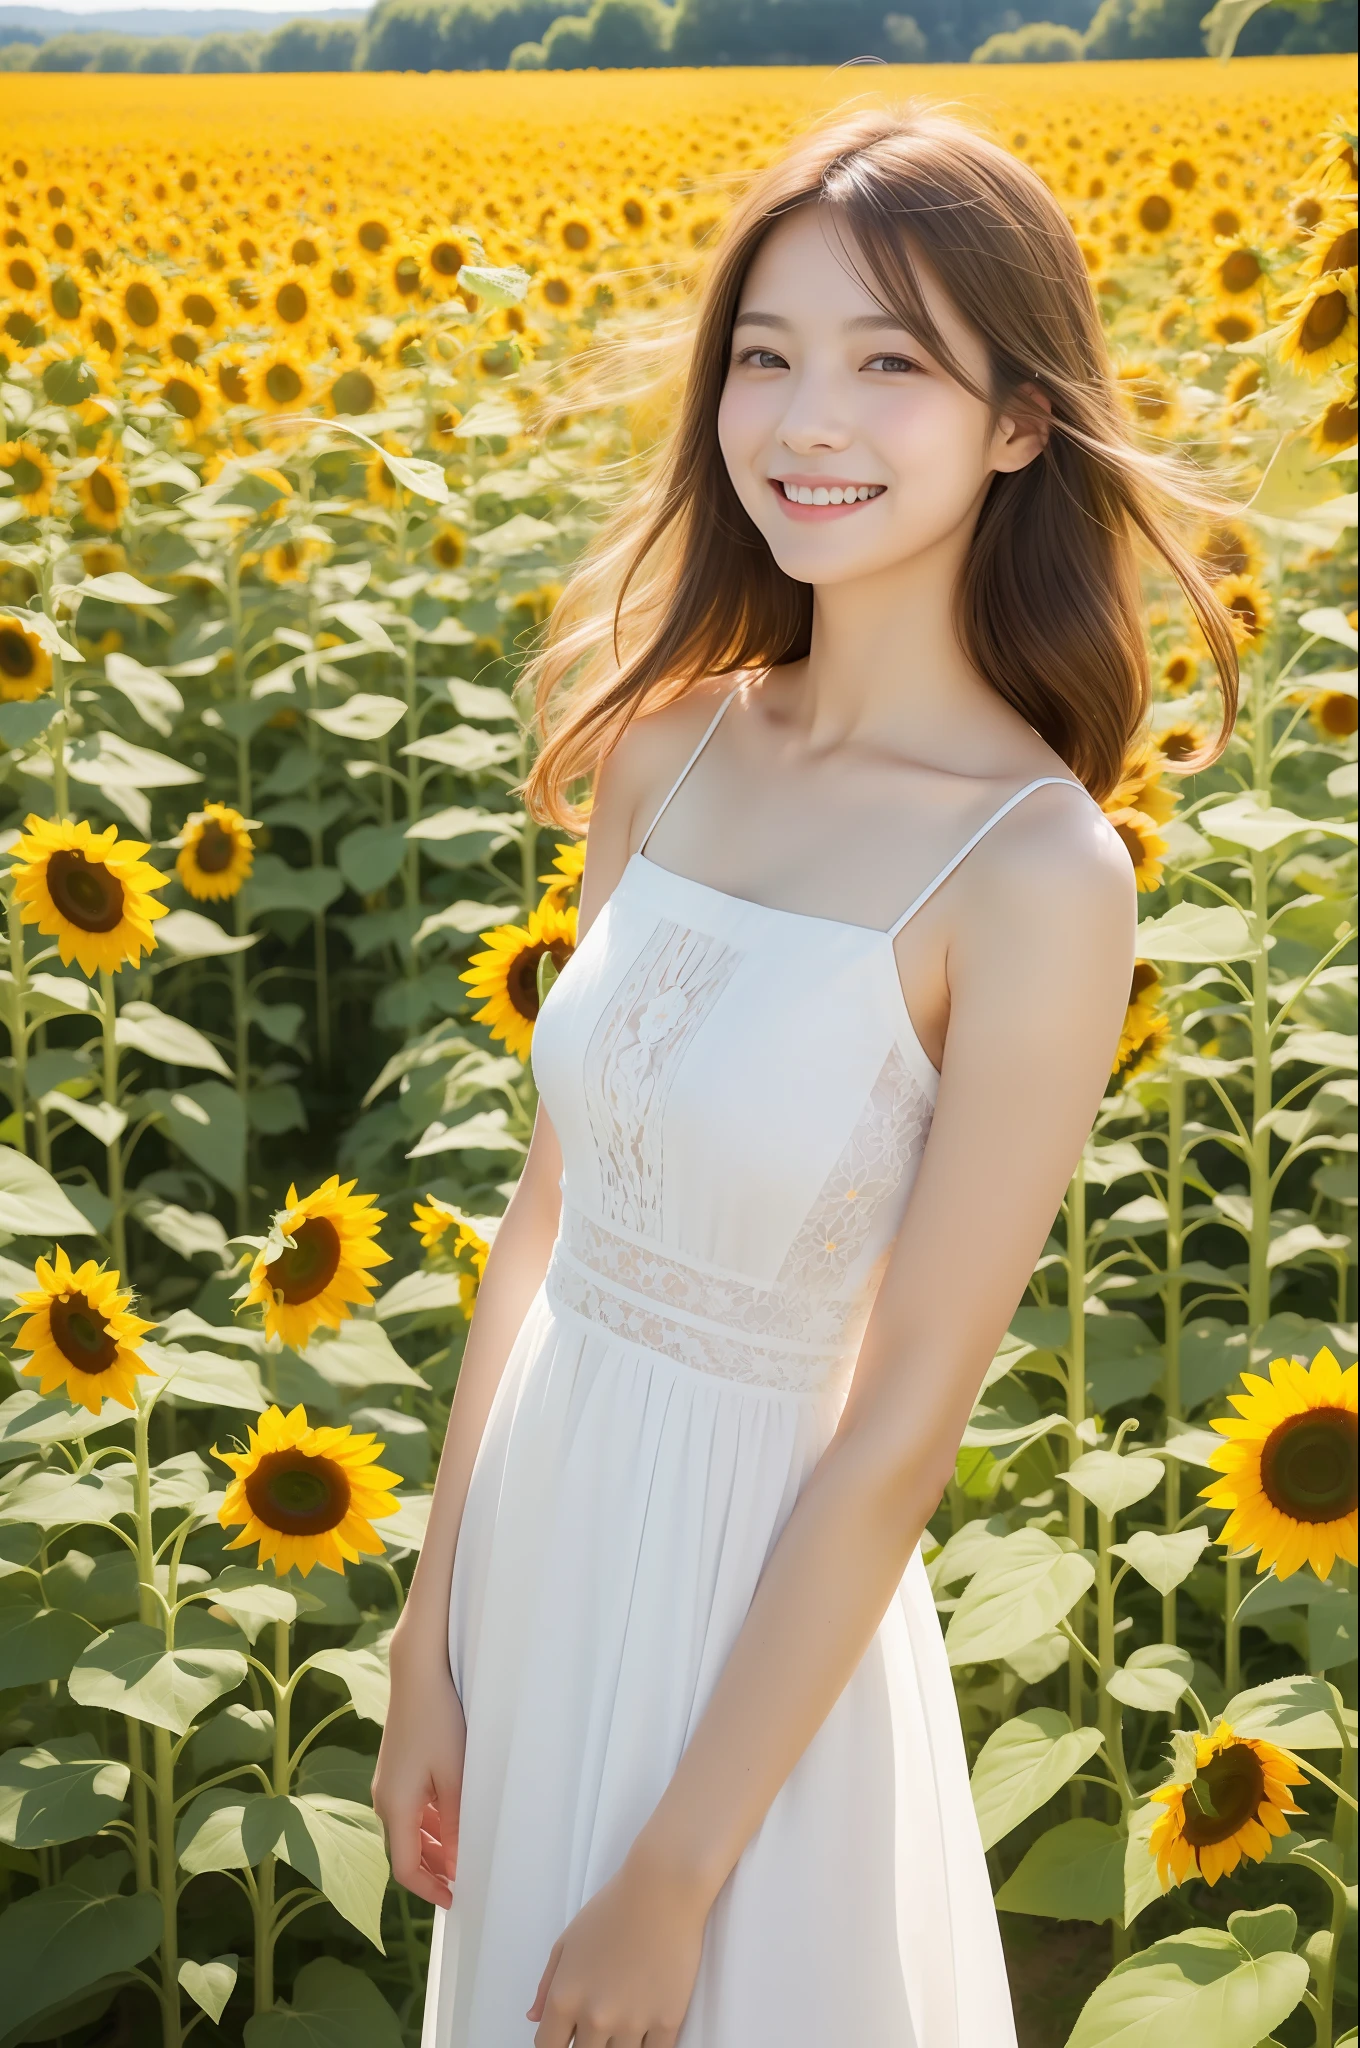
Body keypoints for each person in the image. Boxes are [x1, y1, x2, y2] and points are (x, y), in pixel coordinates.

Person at [374, 101, 1239, 2048]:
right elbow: (545, 1213)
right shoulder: (666, 747)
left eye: (886, 361)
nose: (802, 418)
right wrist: (429, 1635)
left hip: (748, 1640)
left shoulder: (1030, 872)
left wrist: (680, 1867)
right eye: (763, 355)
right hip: (540, 1555)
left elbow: (899, 1428)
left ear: (1017, 420)